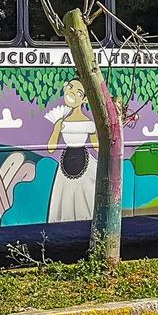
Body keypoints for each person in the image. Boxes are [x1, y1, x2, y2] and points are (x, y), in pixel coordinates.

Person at [44, 79, 98, 222]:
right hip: (65, 165)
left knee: (87, 200)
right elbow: (50, 148)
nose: (72, 93)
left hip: (86, 165)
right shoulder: (61, 122)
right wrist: (56, 129)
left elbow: (97, 146)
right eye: (70, 87)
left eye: (78, 92)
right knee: (65, 200)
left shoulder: (89, 123)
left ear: (85, 99)